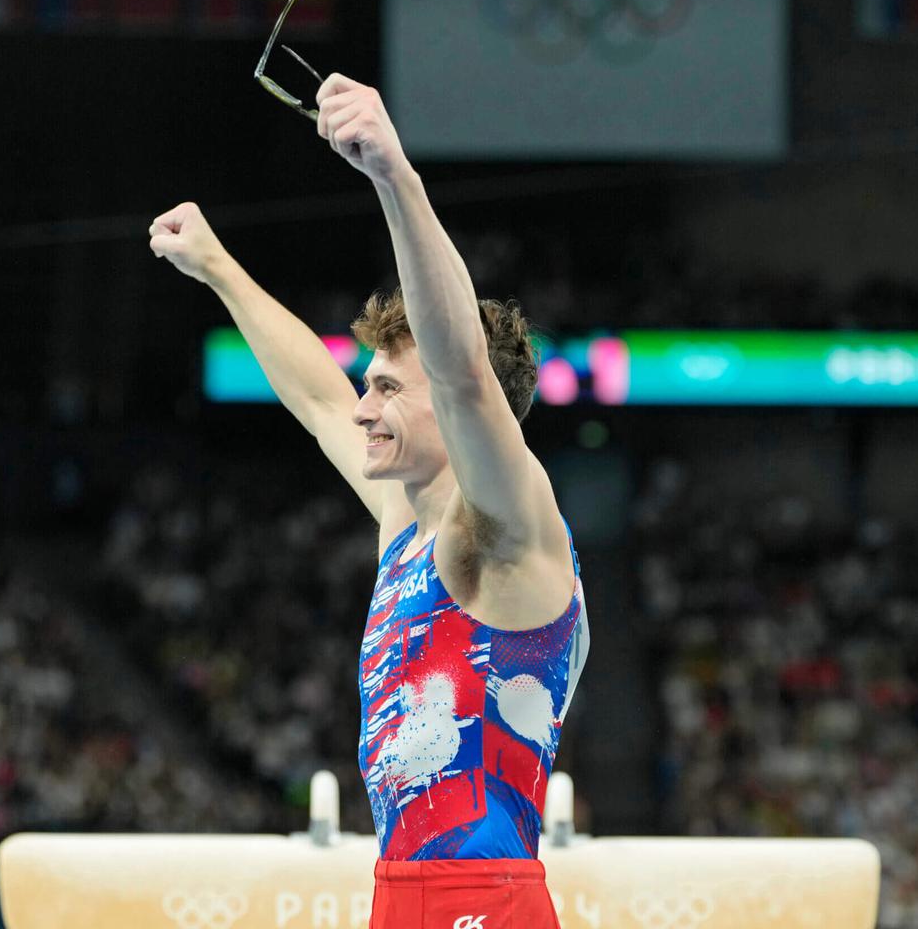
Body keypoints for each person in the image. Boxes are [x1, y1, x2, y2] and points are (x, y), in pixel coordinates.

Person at [149, 73, 589, 929]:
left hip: (482, 898)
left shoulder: (504, 526)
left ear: (458, 409)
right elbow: (315, 399)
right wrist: (219, 271)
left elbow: (460, 368)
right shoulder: (410, 517)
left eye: (387, 388)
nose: (363, 407)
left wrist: (395, 177)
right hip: (399, 891)